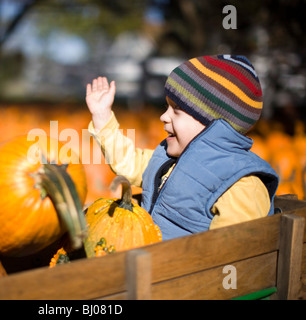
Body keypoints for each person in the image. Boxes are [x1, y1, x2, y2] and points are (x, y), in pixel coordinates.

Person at [85, 54, 279, 241]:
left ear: (213, 123)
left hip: (182, 271)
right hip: (147, 260)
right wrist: (103, 118)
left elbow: (229, 254)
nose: (164, 116)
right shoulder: (169, 161)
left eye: (176, 109)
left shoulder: (241, 185)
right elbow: (128, 162)